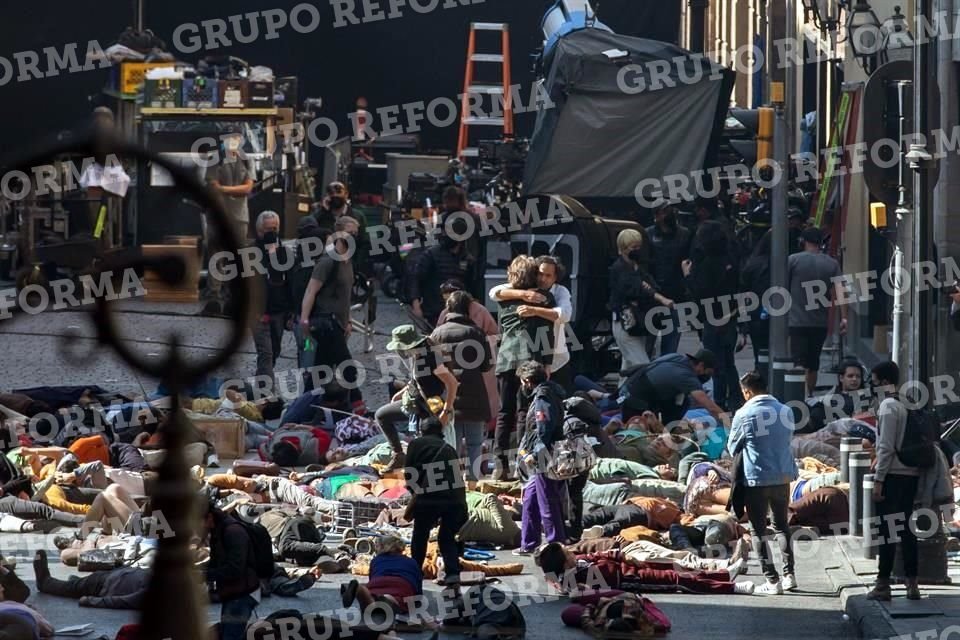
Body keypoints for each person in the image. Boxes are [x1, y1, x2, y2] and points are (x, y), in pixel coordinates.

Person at [727, 371, 798, 595]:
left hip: (756, 478)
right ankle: (790, 576)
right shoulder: (785, 411)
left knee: (758, 531)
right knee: (781, 526)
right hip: (783, 476)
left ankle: (772, 580)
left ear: (747, 391)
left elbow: (732, 447)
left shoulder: (744, 414)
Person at [493, 256, 556, 479]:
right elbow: (546, 333)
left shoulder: (504, 299)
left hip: (505, 359)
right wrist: (547, 363)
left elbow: (497, 293)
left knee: (504, 413)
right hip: (528, 362)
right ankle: (523, 463)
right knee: (523, 414)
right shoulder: (543, 298)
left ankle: (499, 466)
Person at [867, 361, 921, 601]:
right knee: (907, 529)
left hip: (893, 476)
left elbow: (886, 448)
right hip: (911, 474)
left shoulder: (888, 405)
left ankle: (883, 585)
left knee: (887, 530)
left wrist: (879, 480)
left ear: (885, 381)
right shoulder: (905, 401)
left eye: (874, 382)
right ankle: (912, 584)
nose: (872, 387)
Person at [299, 216, 364, 409]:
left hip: (339, 323)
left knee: (321, 372)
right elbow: (311, 290)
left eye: (356, 233)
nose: (354, 236)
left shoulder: (348, 261)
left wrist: (349, 321)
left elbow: (344, 296)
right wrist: (304, 319)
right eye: (350, 232)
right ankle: (358, 406)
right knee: (348, 368)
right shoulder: (328, 261)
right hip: (326, 324)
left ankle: (304, 407)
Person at [376, 325, 459, 471]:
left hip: (431, 408)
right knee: (382, 415)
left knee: (431, 451)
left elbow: (452, 383)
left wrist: (446, 411)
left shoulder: (430, 357)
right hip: (415, 402)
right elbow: (416, 380)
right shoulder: (416, 355)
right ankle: (398, 454)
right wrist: (401, 393)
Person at [431, 291, 493, 481]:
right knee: (475, 443)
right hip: (475, 393)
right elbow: (486, 365)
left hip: (449, 395)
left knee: (452, 443)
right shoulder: (476, 332)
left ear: (448, 308)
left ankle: (453, 482)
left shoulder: (437, 334)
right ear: (468, 309)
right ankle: (474, 482)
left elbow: (432, 366)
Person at [537, 543, 755, 595]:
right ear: (565, 564)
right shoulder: (573, 580)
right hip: (633, 579)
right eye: (567, 554)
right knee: (678, 579)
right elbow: (562, 586)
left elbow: (597, 554)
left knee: (675, 565)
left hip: (630, 564)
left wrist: (621, 554)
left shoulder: (580, 560)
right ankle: (734, 587)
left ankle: (725, 573)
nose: (572, 553)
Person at [683, 220, 742, 410]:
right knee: (728, 361)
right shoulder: (731, 260)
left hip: (711, 317)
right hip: (730, 315)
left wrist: (687, 276)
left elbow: (700, 291)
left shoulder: (706, 264)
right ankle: (734, 398)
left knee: (715, 363)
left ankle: (719, 401)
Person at [491, 255, 574, 392]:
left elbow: (564, 315)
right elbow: (494, 292)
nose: (543, 279)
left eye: (548, 275)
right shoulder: (528, 289)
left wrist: (534, 310)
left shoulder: (560, 291)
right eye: (540, 274)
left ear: (555, 278)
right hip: (533, 358)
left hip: (557, 357)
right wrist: (523, 294)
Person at [405, 416, 468, 591]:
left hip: (428, 498)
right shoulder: (448, 448)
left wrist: (416, 494)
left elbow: (409, 475)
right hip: (454, 500)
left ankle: (415, 573)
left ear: (422, 431)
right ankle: (453, 575)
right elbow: (458, 478)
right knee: (446, 537)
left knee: (420, 535)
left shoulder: (415, 445)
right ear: (440, 432)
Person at [514, 360, 567, 554]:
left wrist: (534, 454)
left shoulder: (543, 398)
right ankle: (529, 542)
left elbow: (544, 430)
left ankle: (556, 543)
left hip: (543, 455)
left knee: (547, 501)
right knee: (530, 498)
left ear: (528, 381)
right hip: (539, 453)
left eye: (522, 381)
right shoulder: (548, 393)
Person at [787, 227, 847, 396]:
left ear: (803, 242)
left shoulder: (793, 260)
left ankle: (798, 395)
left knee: (798, 360)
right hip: (820, 323)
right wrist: (844, 318)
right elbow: (840, 291)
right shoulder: (831, 263)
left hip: (796, 321)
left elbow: (781, 288)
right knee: (813, 362)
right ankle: (810, 394)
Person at [204, 130, 254, 316]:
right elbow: (212, 187)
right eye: (229, 139)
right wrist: (235, 190)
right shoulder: (214, 159)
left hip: (239, 217)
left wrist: (224, 188)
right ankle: (214, 298)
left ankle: (231, 298)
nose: (232, 142)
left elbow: (248, 188)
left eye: (236, 139)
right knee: (216, 256)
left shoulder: (247, 160)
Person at [438, 279, 499, 428]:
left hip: (472, 365)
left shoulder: (480, 311)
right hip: (472, 367)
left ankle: (486, 428)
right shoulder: (446, 313)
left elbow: (494, 334)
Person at [609, 229, 671, 374]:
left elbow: (653, 286)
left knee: (629, 366)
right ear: (624, 249)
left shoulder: (638, 266)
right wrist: (645, 287)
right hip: (625, 323)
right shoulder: (618, 269)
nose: (637, 250)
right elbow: (633, 289)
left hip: (638, 322)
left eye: (639, 247)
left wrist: (645, 286)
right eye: (633, 247)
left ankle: (620, 395)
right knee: (642, 366)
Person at [411, 188, 475, 326]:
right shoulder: (432, 255)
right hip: (433, 312)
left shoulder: (467, 259)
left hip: (459, 314)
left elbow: (472, 286)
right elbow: (416, 278)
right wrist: (416, 305)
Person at [203, 501, 263, 640]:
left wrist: (203, 575)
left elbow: (235, 569)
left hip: (243, 594)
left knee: (230, 635)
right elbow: (216, 561)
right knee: (227, 633)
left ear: (209, 517)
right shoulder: (218, 529)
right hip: (233, 592)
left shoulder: (232, 531)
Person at [619, 350, 725, 427]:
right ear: (701, 365)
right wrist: (730, 423)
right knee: (638, 431)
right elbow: (710, 407)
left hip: (629, 390)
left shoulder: (676, 357)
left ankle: (669, 428)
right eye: (708, 372)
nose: (707, 376)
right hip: (635, 401)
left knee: (682, 401)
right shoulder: (686, 376)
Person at [341, 536, 425, 627]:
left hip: (378, 582)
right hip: (402, 584)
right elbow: (418, 585)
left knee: (370, 599)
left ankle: (361, 591)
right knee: (397, 600)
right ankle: (389, 599)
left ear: (383, 547)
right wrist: (417, 599)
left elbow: (372, 578)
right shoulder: (411, 562)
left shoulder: (376, 560)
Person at [251, 211, 292, 383]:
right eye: (268, 229)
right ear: (259, 230)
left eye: (274, 229)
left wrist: (291, 311)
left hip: (278, 311)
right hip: (258, 313)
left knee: (274, 351)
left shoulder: (284, 252)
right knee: (266, 353)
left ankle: (260, 382)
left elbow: (288, 281)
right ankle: (265, 393)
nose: (271, 233)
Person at [645, 204, 691, 357]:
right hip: (652, 296)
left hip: (675, 296)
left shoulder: (685, 235)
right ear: (657, 215)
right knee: (646, 346)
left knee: (670, 347)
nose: (669, 215)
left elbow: (688, 262)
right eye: (664, 212)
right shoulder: (648, 234)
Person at [32, 549, 147, 609]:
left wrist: (92, 601)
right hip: (116, 574)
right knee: (81, 583)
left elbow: (125, 601)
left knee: (71, 587)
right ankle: (76, 582)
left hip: (103, 585)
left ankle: (44, 582)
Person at [739, 230, 771, 371]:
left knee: (760, 350)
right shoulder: (785, 263)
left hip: (756, 313)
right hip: (778, 311)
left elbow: (743, 292)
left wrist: (743, 326)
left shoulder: (753, 264)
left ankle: (761, 372)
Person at [259, 424, 333, 467]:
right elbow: (324, 435)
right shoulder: (316, 447)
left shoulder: (270, 453)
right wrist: (301, 426)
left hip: (275, 432)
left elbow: (261, 446)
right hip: (301, 428)